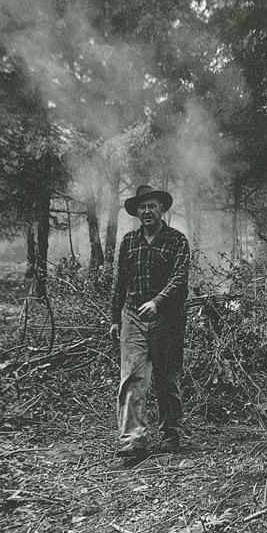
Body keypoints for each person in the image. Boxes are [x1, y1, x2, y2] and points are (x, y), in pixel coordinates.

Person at [110, 184, 190, 459]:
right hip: (132, 315)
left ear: (161, 209)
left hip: (167, 318)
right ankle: (133, 440)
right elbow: (120, 282)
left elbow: (179, 280)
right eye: (142, 207)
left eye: (152, 206)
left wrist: (157, 302)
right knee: (132, 379)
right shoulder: (128, 242)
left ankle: (171, 433)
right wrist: (114, 318)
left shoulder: (177, 240)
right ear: (137, 212)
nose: (147, 211)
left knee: (167, 379)